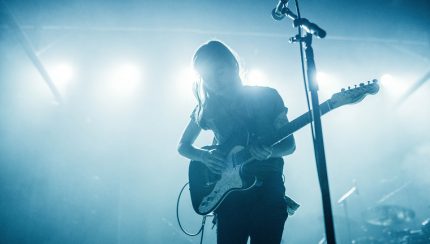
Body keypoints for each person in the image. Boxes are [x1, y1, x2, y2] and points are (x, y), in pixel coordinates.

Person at [177, 40, 296, 244]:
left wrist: (269, 152)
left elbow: (289, 145)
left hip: (268, 190)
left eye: (219, 71)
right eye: (206, 76)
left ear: (233, 65)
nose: (214, 80)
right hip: (229, 197)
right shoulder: (207, 108)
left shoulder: (267, 96)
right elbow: (183, 145)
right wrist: (204, 156)